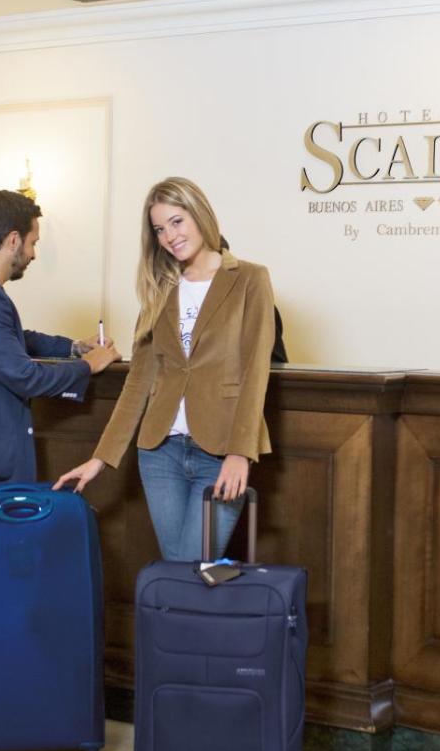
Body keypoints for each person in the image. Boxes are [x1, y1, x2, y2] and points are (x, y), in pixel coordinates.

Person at [54, 177, 275, 561]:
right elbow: (139, 381)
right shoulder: (160, 287)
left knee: (193, 567)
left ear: (199, 214)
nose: (170, 236)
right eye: (159, 229)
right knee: (178, 571)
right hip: (160, 453)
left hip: (219, 451)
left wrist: (241, 453)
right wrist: (99, 459)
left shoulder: (250, 279)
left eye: (176, 221)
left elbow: (255, 372)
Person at [0, 190, 119, 488]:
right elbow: (24, 376)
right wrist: (88, 365)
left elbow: (14, 338)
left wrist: (74, 347)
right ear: (13, 240)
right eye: (33, 242)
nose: (33, 254)